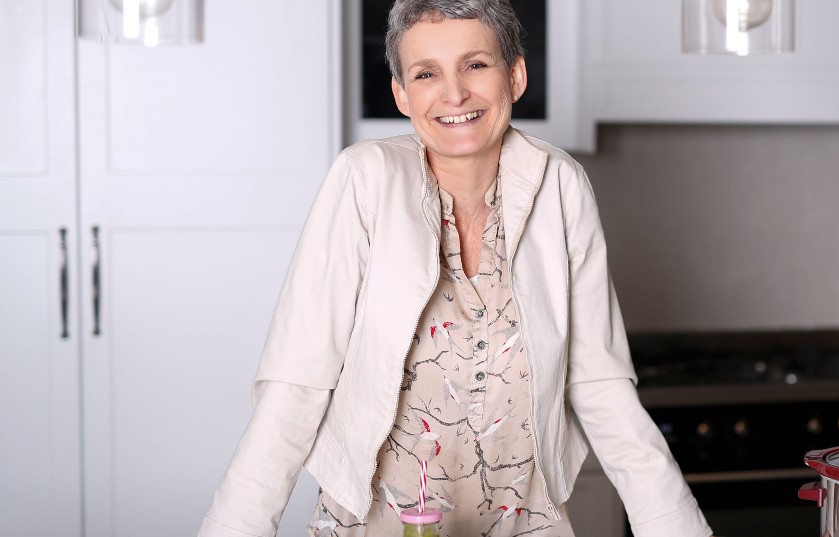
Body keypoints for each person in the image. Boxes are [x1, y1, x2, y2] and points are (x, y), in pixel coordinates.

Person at [197, 1, 713, 536]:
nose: (454, 93)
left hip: (524, 523)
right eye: (426, 73)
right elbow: (297, 384)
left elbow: (600, 385)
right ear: (402, 93)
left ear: (514, 75)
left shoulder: (560, 184)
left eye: (475, 64)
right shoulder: (364, 181)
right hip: (379, 525)